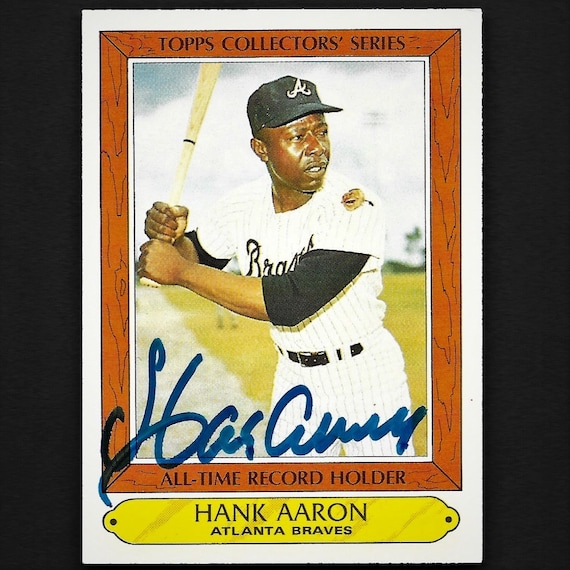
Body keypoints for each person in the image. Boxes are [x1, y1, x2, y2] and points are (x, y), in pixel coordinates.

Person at [138, 75, 419, 457]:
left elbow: (291, 301)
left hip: (366, 374)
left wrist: (180, 271)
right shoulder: (241, 205)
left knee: (385, 491)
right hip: (294, 376)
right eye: (298, 136)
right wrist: (172, 237)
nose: (316, 147)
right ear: (261, 149)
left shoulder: (353, 205)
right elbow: (199, 255)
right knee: (290, 487)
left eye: (321, 131)